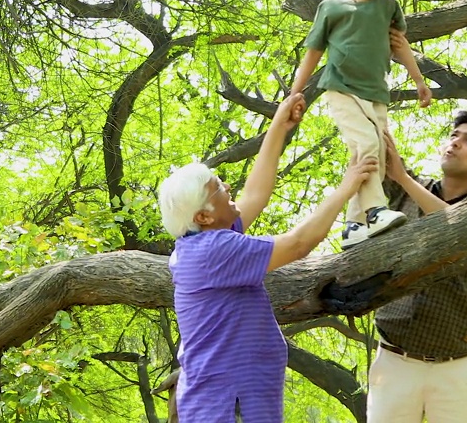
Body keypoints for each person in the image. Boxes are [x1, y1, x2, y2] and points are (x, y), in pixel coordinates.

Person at [159, 92, 376, 423]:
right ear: (202, 216)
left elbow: (256, 194)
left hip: (239, 398)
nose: (229, 187)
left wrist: (279, 125)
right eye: (219, 188)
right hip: (226, 405)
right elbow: (300, 243)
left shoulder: (204, 243)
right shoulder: (214, 252)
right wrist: (346, 187)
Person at [288, 0, 433, 248]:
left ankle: (353, 227)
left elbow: (400, 44)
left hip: (376, 95)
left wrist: (419, 81)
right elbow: (314, 50)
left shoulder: (387, 5)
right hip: (341, 89)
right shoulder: (333, 7)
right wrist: (296, 91)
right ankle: (376, 210)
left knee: (373, 158)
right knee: (367, 144)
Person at [367, 109, 467, 423]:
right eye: (453, 135)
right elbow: (372, 147)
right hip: (394, 361)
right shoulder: (406, 190)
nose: (455, 143)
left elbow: (455, 229)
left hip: (457, 368)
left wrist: (401, 176)